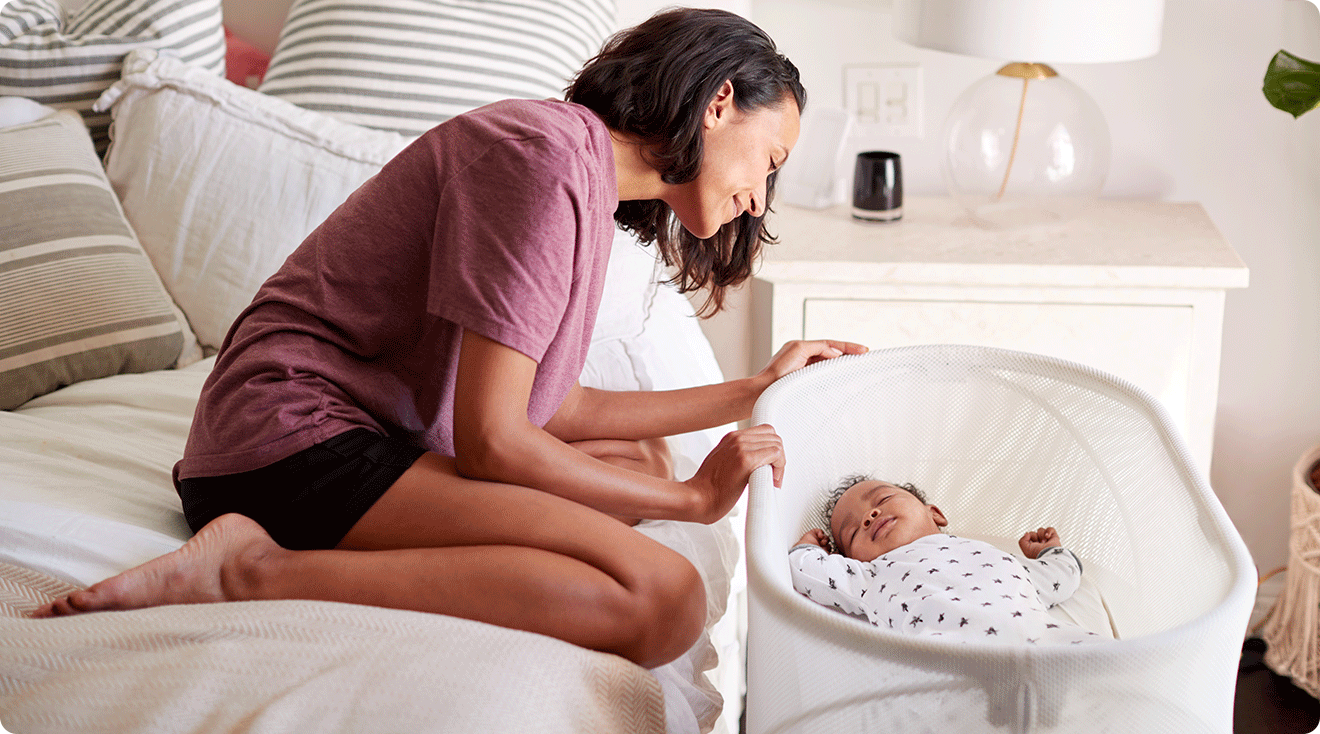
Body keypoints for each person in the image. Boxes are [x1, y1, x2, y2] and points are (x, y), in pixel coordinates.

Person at [30, 8, 867, 669]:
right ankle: (246, 570)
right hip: (284, 445)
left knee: (637, 458)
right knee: (665, 598)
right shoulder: (541, 162)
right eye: (770, 157)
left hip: (347, 437)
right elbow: (495, 442)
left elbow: (555, 405)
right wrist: (693, 499)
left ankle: (264, 556)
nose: (760, 195)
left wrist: (751, 389)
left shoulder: (578, 174)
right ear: (721, 101)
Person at [789, 475, 1102, 645]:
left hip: (1039, 642)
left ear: (934, 513)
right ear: (852, 560)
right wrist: (809, 550)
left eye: (882, 500)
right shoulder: (871, 576)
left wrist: (1049, 552)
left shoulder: (993, 554)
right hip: (947, 662)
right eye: (853, 531)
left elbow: (1061, 576)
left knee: (1107, 661)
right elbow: (805, 572)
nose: (869, 517)